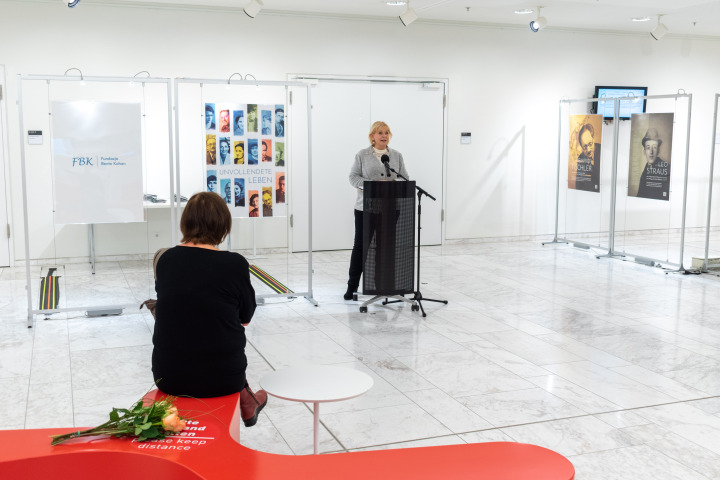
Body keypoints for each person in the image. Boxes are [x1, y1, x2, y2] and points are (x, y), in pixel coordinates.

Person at [152, 192, 267, 427]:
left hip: (167, 377)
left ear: (185, 222)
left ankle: (248, 402)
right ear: (223, 224)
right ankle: (248, 401)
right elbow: (246, 316)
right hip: (223, 380)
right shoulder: (234, 264)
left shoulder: (165, 259)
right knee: (220, 333)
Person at [345, 121, 408, 300]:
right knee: (361, 248)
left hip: (389, 210)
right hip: (366, 209)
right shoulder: (362, 155)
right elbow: (353, 177)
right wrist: (370, 186)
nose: (384, 135)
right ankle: (352, 286)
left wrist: (394, 185)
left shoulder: (396, 156)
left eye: (386, 132)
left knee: (384, 248)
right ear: (372, 136)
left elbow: (405, 178)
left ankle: (382, 286)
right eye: (380, 132)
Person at [636, 127, 670, 200]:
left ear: (658, 151)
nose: (651, 152)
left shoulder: (666, 168)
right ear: (644, 152)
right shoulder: (645, 170)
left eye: (654, 147)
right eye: (648, 148)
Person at [575, 123, 600, 192]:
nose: (588, 150)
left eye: (590, 144)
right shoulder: (581, 158)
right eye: (585, 147)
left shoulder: (602, 151)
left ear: (593, 138)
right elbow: (578, 185)